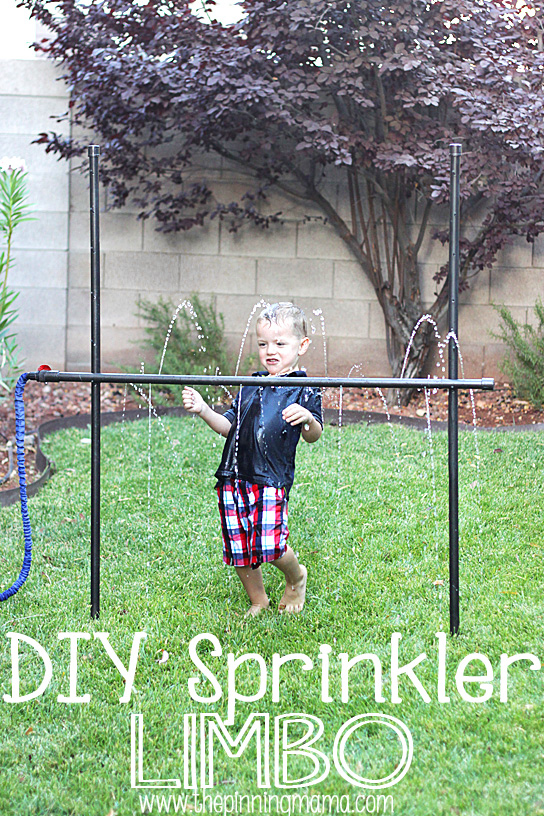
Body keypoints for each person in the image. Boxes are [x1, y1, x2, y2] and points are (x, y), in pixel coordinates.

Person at [182, 302, 323, 617]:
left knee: (270, 544)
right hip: (234, 476)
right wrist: (205, 410)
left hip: (271, 479)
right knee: (240, 547)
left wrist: (307, 419)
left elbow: (314, 435)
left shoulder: (305, 389)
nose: (270, 350)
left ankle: (296, 576)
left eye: (280, 343)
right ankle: (258, 600)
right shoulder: (251, 385)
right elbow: (229, 427)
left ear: (302, 346)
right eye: (263, 344)